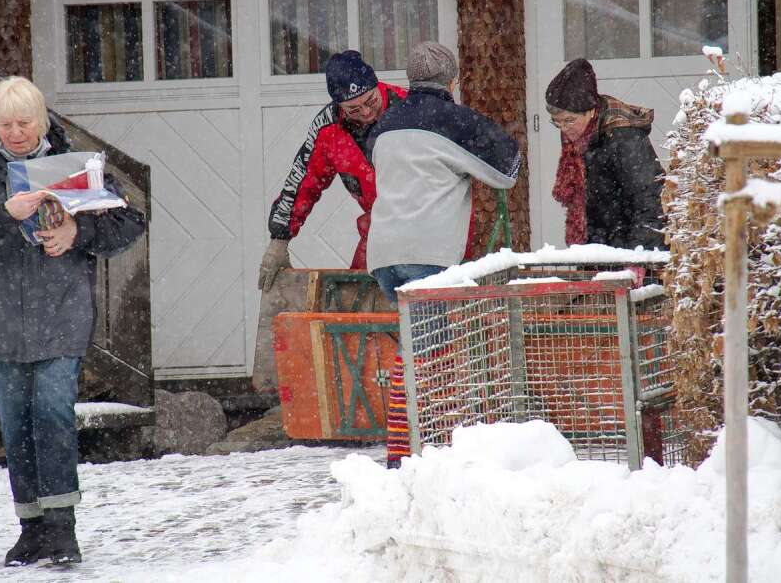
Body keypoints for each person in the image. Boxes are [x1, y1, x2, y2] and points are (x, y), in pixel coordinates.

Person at [0, 76, 145, 566]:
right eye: (5, 124)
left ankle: (62, 528)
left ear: (42, 121)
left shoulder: (74, 168)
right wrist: (5, 214)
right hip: (2, 322)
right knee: (15, 427)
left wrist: (78, 229)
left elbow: (129, 222)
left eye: (24, 122)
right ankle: (30, 528)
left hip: (61, 317)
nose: (15, 132)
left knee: (53, 418)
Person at [366, 41, 520, 467]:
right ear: (453, 81)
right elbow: (507, 169)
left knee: (418, 345)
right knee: (425, 355)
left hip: (384, 254)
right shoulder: (454, 120)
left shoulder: (385, 122)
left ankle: (421, 443)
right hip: (426, 253)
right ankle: (408, 453)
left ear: (410, 80)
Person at [258, 50, 407, 290]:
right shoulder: (327, 129)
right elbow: (302, 183)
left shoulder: (410, 107)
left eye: (370, 101)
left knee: (427, 316)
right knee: (357, 310)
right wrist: (279, 239)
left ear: (377, 85)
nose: (366, 113)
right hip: (377, 235)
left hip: (426, 230)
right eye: (354, 109)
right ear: (339, 106)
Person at [546, 58, 665, 250]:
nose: (564, 128)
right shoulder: (579, 135)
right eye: (557, 122)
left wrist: (638, 258)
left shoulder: (623, 136)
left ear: (591, 111)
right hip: (598, 247)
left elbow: (650, 198)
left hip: (628, 248)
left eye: (569, 120)